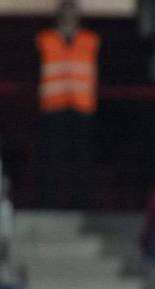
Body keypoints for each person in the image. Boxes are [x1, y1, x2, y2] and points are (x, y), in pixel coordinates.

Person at [36, 0, 99, 209]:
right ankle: (49, 203)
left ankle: (81, 203)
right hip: (53, 106)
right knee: (52, 159)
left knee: (81, 160)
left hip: (82, 107)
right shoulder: (44, 39)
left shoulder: (90, 40)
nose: (69, 16)